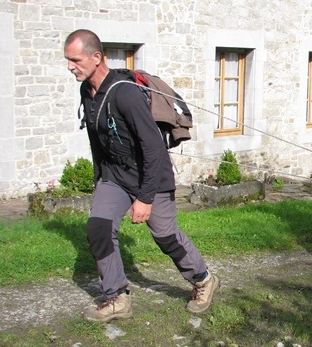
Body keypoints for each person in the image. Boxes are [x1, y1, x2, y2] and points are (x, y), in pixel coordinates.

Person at [64, 29, 220, 322]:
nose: (70, 66)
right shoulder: (88, 91)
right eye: (68, 60)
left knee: (164, 235)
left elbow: (153, 148)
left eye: (75, 59)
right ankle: (117, 298)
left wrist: (144, 199)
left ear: (96, 57)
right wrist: (101, 180)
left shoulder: (125, 93)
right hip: (115, 175)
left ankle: (203, 279)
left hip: (151, 174)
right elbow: (98, 141)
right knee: (98, 228)